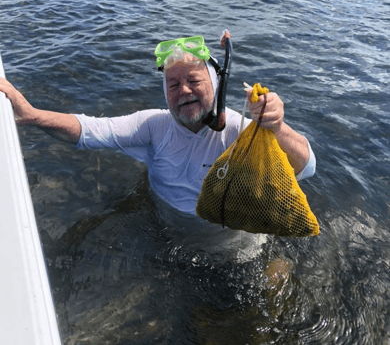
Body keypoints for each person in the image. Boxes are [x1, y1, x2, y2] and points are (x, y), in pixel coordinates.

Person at [0, 33, 315, 218]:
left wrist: (277, 128)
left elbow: (306, 167)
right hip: (167, 235)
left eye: (193, 79)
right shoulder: (153, 126)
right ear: (165, 92)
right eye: (173, 84)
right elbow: (89, 131)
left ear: (216, 85)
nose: (184, 91)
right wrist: (32, 115)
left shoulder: (238, 130)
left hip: (233, 243)